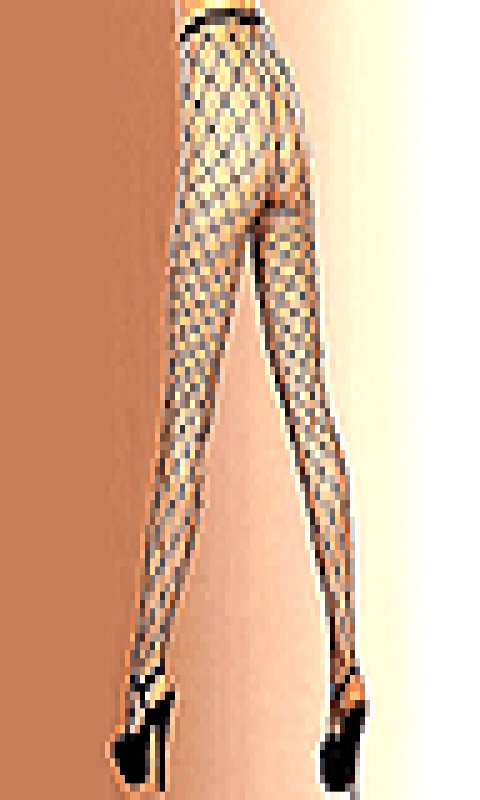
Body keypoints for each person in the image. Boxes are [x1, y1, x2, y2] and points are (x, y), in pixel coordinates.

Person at [108, 1, 368, 793]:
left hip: (218, 90)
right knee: (311, 407)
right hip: (275, 91)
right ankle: (346, 669)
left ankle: (145, 683)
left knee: (185, 428)